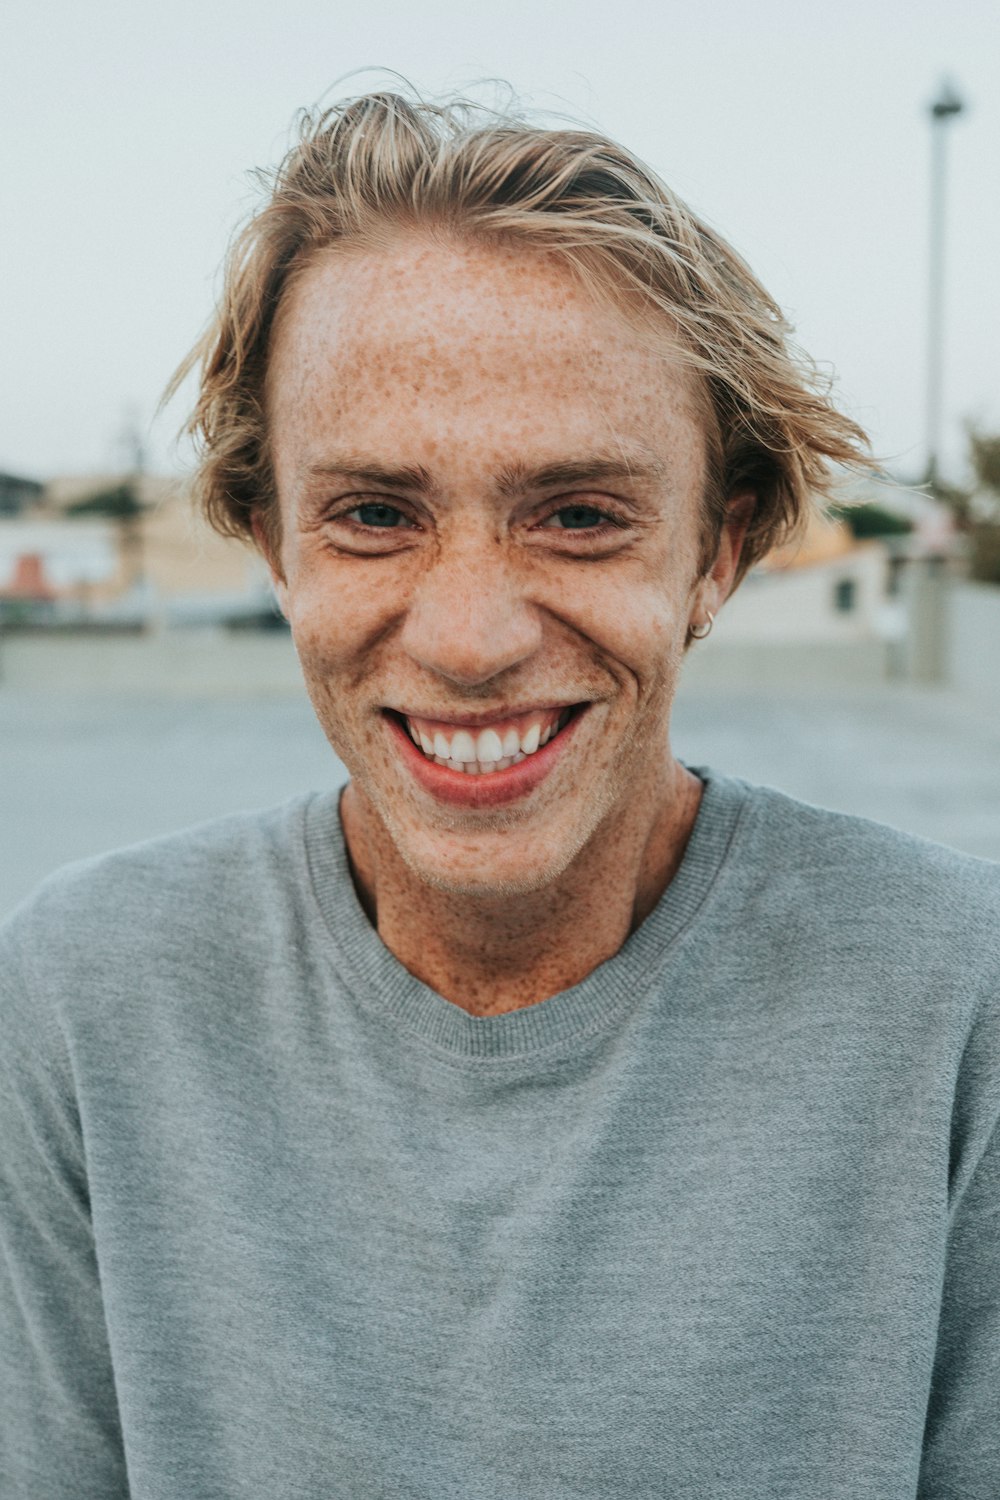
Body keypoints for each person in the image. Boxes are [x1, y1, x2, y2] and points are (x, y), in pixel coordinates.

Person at [1, 90, 997, 1500]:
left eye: (580, 515)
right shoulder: (87, 1001)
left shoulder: (958, 996)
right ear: (272, 543)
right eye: (374, 516)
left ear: (718, 553)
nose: (470, 637)